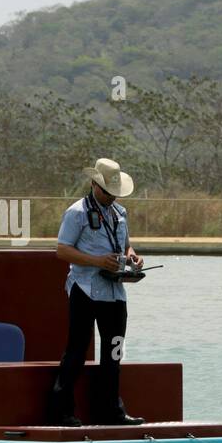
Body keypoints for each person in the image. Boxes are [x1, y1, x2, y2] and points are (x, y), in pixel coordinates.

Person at [48, 158, 146, 427]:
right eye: (106, 190)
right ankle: (62, 412)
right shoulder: (76, 212)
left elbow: (127, 247)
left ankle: (113, 412)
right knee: (77, 350)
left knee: (114, 352)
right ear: (93, 184)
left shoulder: (120, 213)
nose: (110, 196)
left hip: (115, 292)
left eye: (114, 191)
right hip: (85, 289)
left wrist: (133, 259)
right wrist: (97, 261)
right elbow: (62, 250)